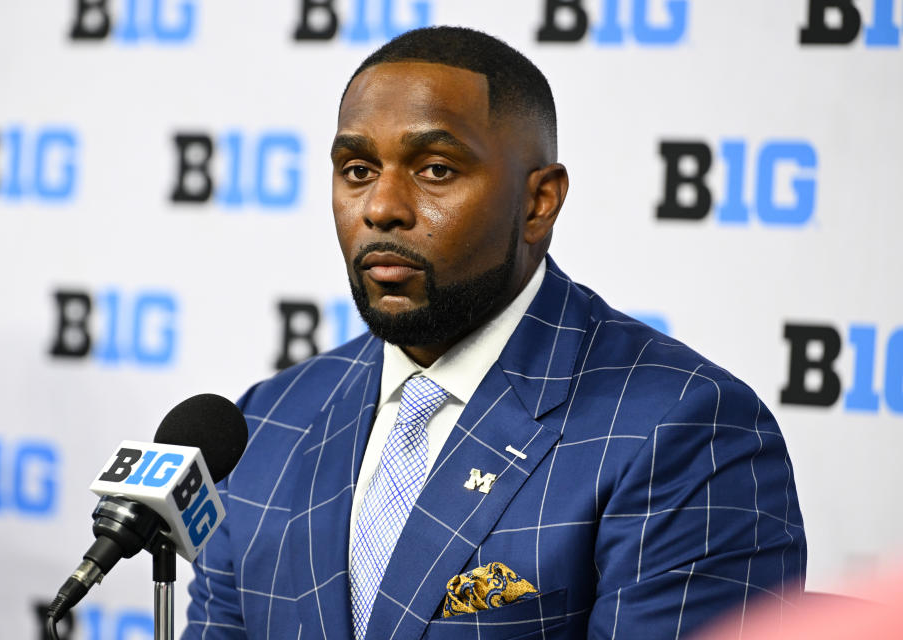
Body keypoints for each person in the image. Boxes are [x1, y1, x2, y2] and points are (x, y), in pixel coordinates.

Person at [183, 26, 806, 640]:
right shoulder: (266, 423)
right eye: (357, 169)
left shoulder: (685, 429)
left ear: (539, 202)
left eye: (433, 169)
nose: (381, 207)